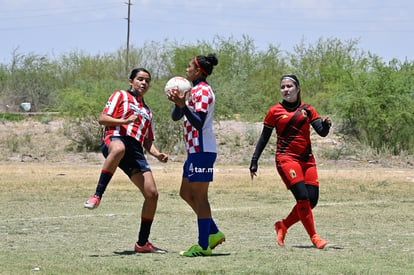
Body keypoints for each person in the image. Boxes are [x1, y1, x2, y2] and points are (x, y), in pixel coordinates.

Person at [83, 67, 168, 254]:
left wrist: (157, 154)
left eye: (147, 80)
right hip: (115, 138)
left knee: (152, 194)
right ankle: (97, 195)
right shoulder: (120, 95)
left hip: (136, 150)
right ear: (131, 81)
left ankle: (142, 243)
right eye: (140, 79)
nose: (143, 83)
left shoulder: (148, 111)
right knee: (119, 148)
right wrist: (124, 121)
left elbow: (147, 140)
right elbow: (102, 119)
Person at [249, 74, 331, 249]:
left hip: (307, 160)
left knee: (312, 201)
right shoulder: (274, 111)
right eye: (283, 87)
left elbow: (322, 132)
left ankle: (283, 225)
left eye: (289, 86)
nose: (285, 90)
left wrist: (326, 125)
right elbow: (264, 137)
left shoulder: (308, 109)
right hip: (286, 159)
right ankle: (315, 237)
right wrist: (254, 160)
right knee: (302, 197)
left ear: (298, 88)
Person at [166, 54, 225, 257]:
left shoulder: (204, 91)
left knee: (200, 197)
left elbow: (198, 122)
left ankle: (203, 245)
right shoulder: (192, 91)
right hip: (194, 151)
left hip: (203, 150)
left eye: (189, 66)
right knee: (185, 193)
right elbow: (176, 117)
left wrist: (184, 105)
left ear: (199, 71)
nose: (186, 69)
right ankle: (214, 232)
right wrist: (178, 102)